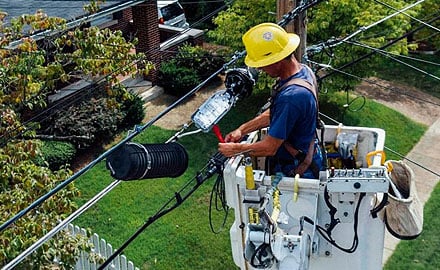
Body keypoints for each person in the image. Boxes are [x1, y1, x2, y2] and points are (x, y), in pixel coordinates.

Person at [218, 22, 324, 179]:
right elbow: (276, 114)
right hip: (305, 155)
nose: (260, 69)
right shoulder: (303, 71)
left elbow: (269, 148)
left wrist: (235, 150)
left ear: (277, 61)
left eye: (262, 64)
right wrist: (242, 130)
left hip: (297, 170)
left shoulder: (292, 96)